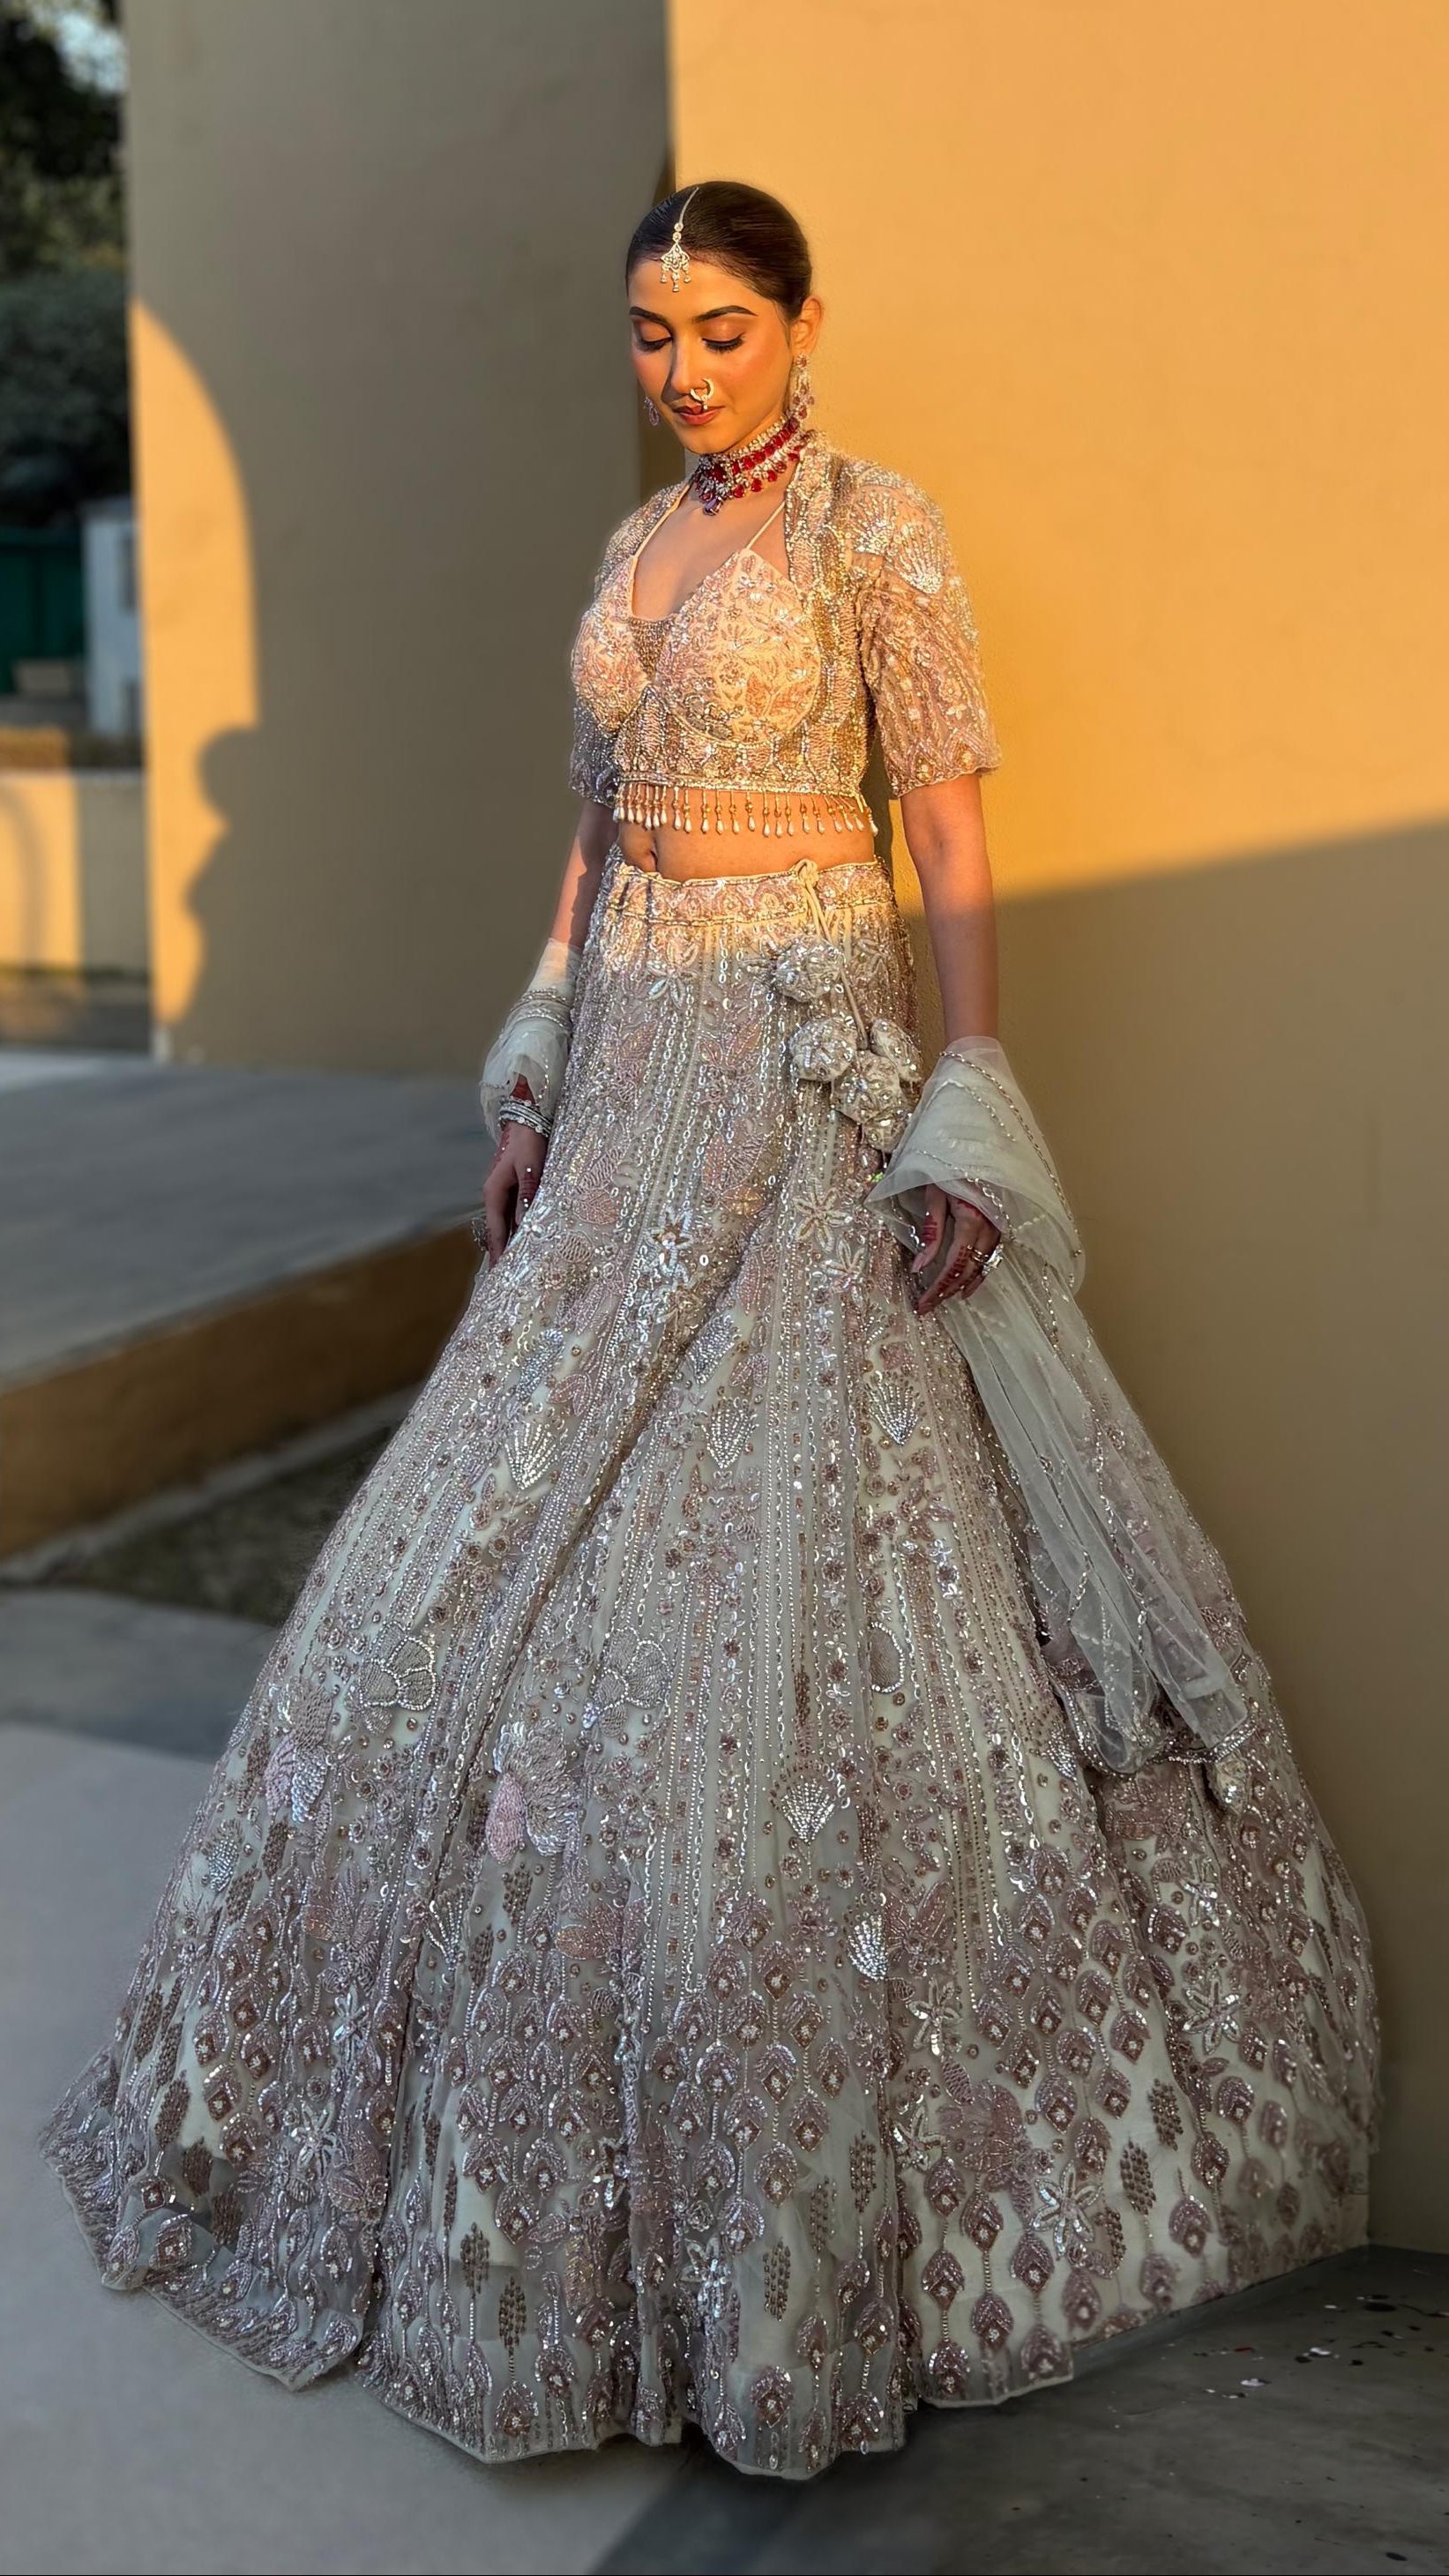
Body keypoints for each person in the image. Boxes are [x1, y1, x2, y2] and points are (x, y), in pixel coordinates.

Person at [44, 180, 1377, 2483]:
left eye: (725, 328)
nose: (684, 368)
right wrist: (538, 1053)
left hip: (789, 1058)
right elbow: (590, 824)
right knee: (451, 1593)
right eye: (653, 331)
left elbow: (947, 832)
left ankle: (780, 2228)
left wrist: (963, 1104)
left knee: (765, 1613)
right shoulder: (625, 544)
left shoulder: (876, 532)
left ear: (802, 326)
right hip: (627, 1081)